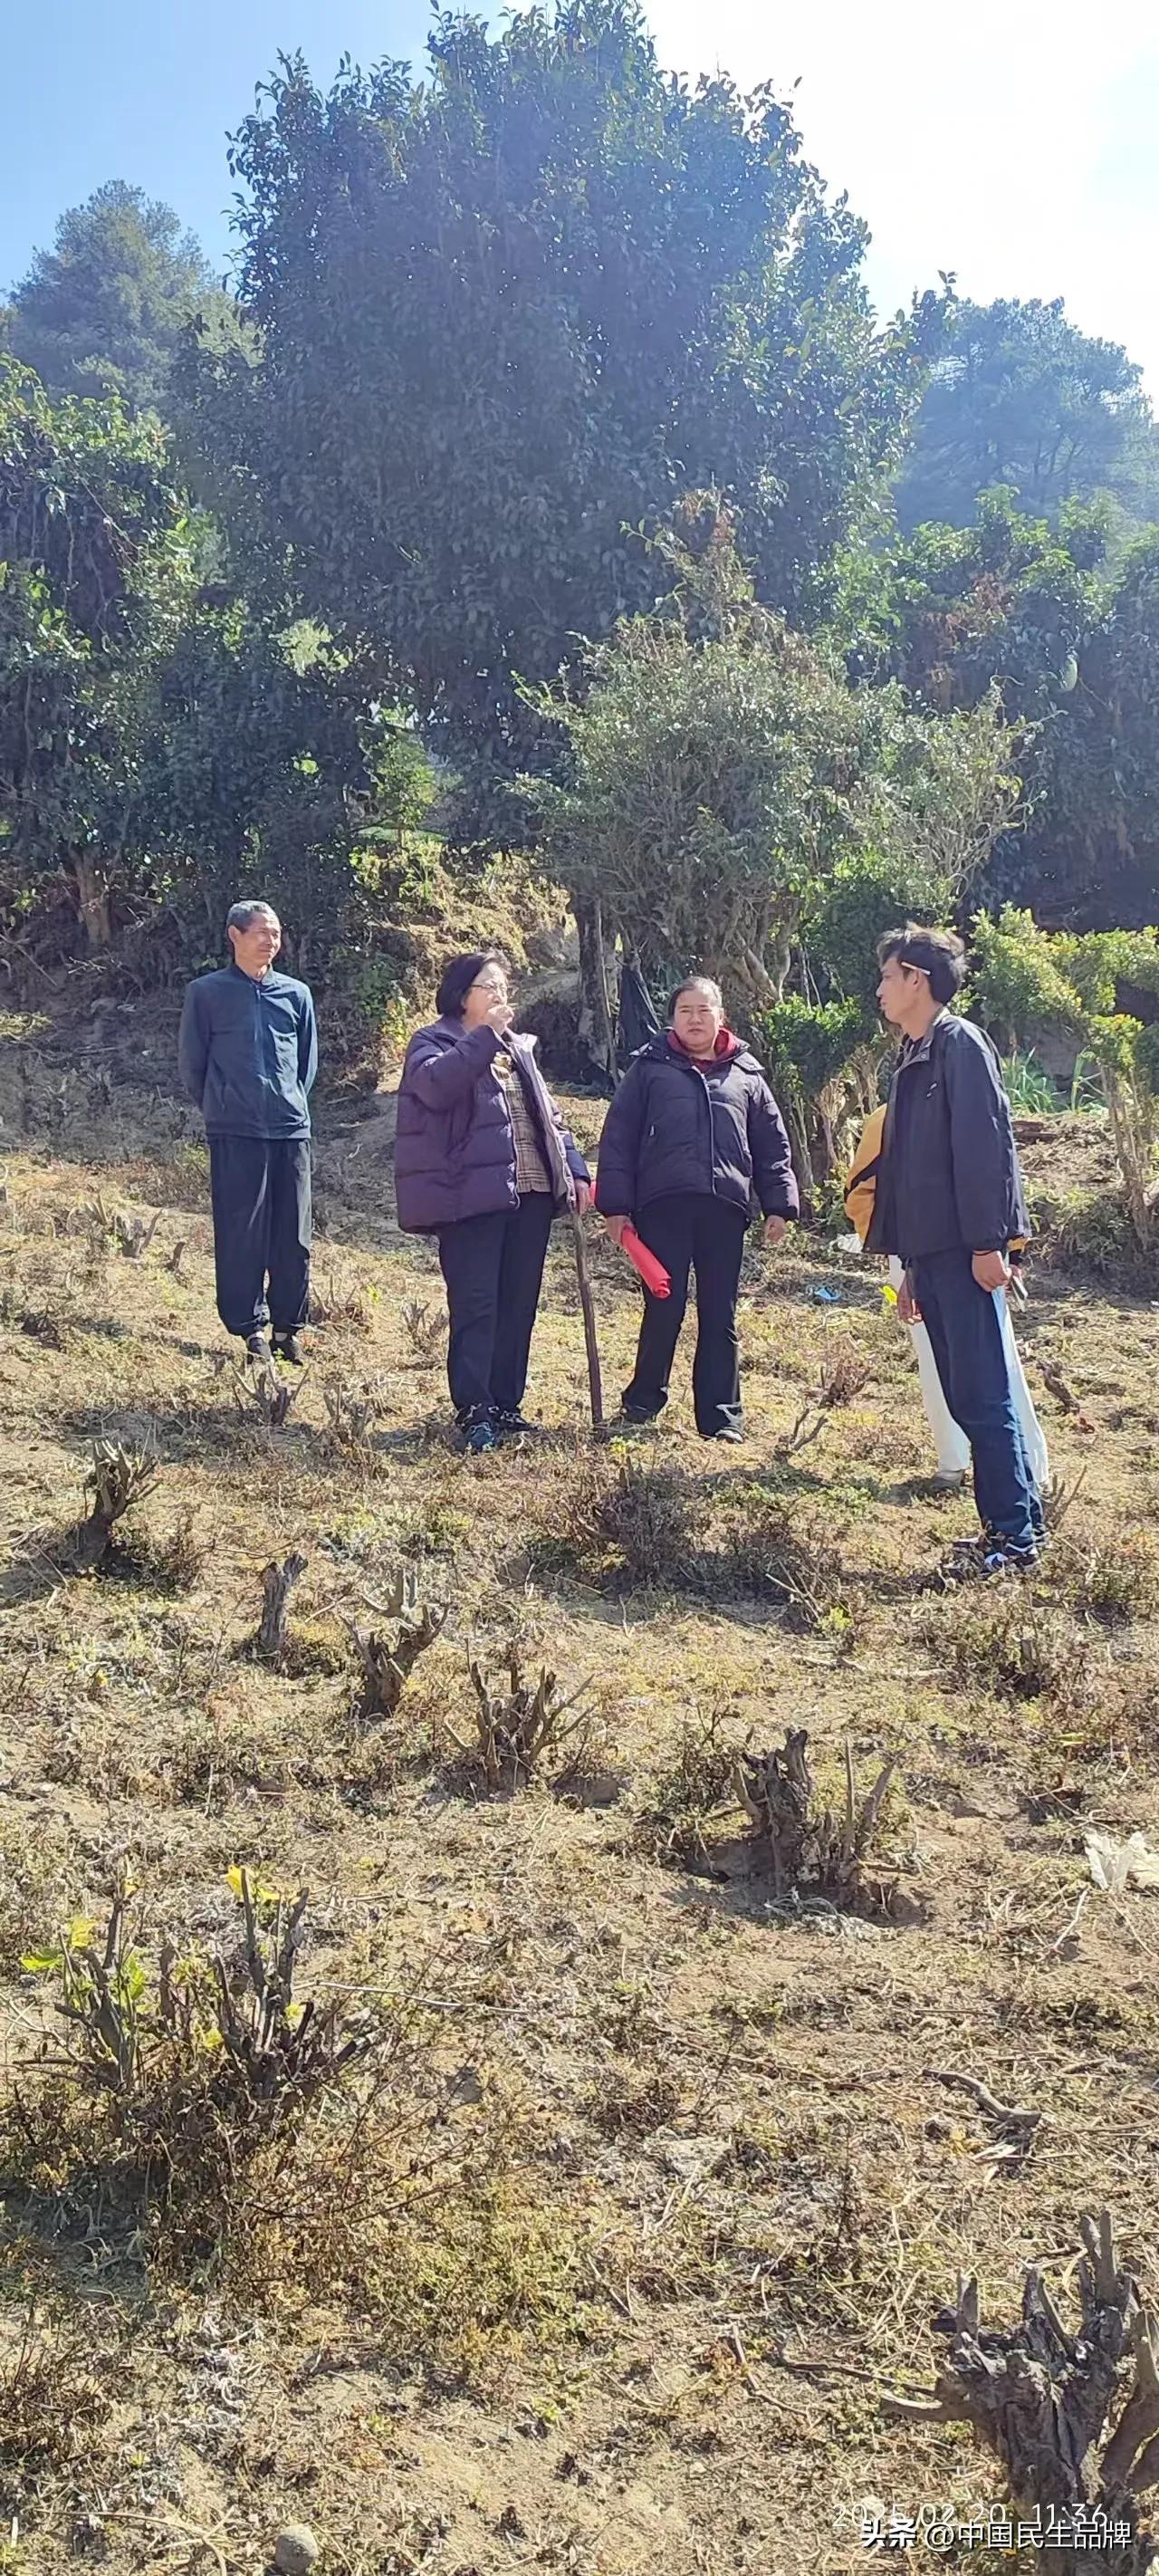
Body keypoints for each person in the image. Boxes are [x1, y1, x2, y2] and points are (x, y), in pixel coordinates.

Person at [867, 923, 1044, 1573]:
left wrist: (988, 1244)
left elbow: (985, 1152)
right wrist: (908, 1263)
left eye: (889, 976)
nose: (881, 989)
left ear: (918, 979)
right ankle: (1011, 1528)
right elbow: (910, 1170)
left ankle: (1015, 1541)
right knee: (967, 1395)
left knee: (983, 1394)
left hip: (966, 1252)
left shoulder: (959, 1045)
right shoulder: (912, 1055)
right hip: (931, 1255)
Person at [394, 952, 591, 1453]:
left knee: (518, 1305)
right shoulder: (432, 1042)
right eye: (488, 986)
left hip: (530, 1193)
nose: (500, 994)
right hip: (470, 1198)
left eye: (504, 986)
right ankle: (474, 1411)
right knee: (477, 1306)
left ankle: (506, 1404)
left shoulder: (519, 1050)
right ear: (462, 994)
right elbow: (437, 1088)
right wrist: (485, 1039)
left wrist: (575, 1168)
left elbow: (550, 1117)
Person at [594, 976, 799, 1442]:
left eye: (704, 1010)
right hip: (662, 1207)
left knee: (719, 1312)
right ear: (672, 1019)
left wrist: (779, 1205)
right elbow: (619, 1139)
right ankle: (643, 1402)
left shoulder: (746, 1074)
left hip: (724, 1211)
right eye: (685, 1010)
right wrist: (615, 1207)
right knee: (664, 1306)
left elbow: (772, 1145)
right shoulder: (648, 1069)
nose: (694, 1019)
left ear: (720, 1016)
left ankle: (722, 1418)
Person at [845, 1105, 1049, 1494]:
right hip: (917, 1257)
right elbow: (861, 1190)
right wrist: (900, 1251)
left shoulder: (979, 1108)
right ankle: (952, 1462)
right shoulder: (890, 1116)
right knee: (935, 1358)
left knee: (999, 1359)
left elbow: (1004, 1180)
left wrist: (1014, 1250)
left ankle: (1031, 1470)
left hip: (981, 1254)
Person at [177, 900, 317, 1366]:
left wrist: (288, 1102)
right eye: (261, 932)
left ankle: (287, 1327)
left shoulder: (296, 995)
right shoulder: (207, 993)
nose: (270, 941)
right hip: (234, 1130)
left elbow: (305, 1065)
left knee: (293, 1235)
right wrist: (222, 1105)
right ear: (234, 935)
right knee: (242, 1231)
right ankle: (250, 1326)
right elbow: (193, 1065)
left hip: (289, 1130)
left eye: (276, 933)